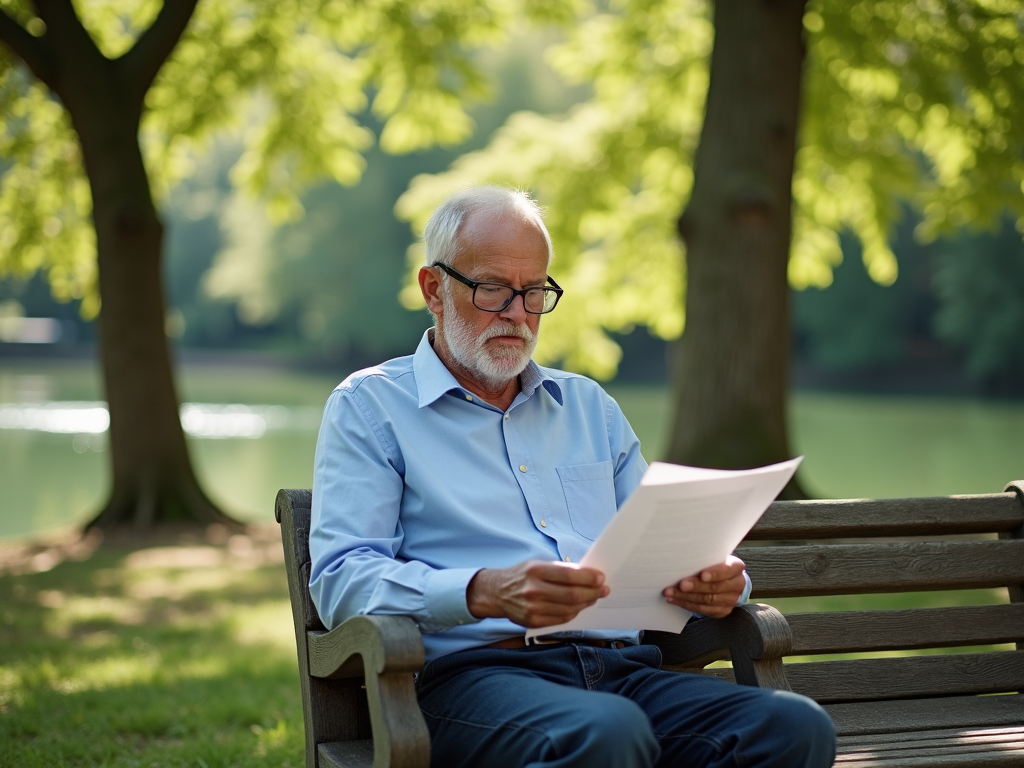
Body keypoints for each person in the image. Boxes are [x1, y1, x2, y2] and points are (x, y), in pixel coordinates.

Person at [309, 186, 836, 768]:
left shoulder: (589, 407)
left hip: (623, 672)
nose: (517, 313)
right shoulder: (370, 405)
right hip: (473, 681)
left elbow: (660, 547)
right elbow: (342, 580)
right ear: (434, 289)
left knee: (794, 727)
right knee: (606, 733)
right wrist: (481, 591)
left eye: (534, 291)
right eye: (492, 289)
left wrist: (716, 585)